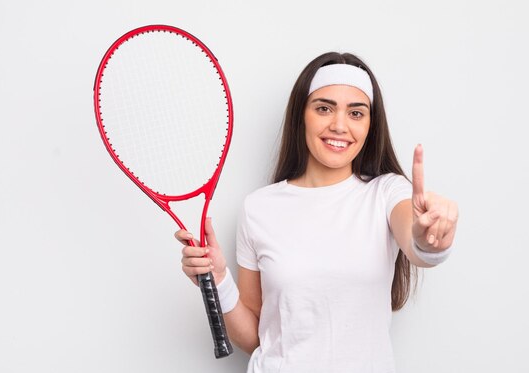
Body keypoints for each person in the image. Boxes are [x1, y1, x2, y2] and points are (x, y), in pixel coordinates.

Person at [175, 52, 459, 372]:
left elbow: (418, 245)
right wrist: (219, 280)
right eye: (324, 108)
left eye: (356, 113)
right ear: (302, 116)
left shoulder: (387, 193)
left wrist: (430, 240)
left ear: (370, 125)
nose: (339, 125)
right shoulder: (258, 208)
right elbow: (257, 338)